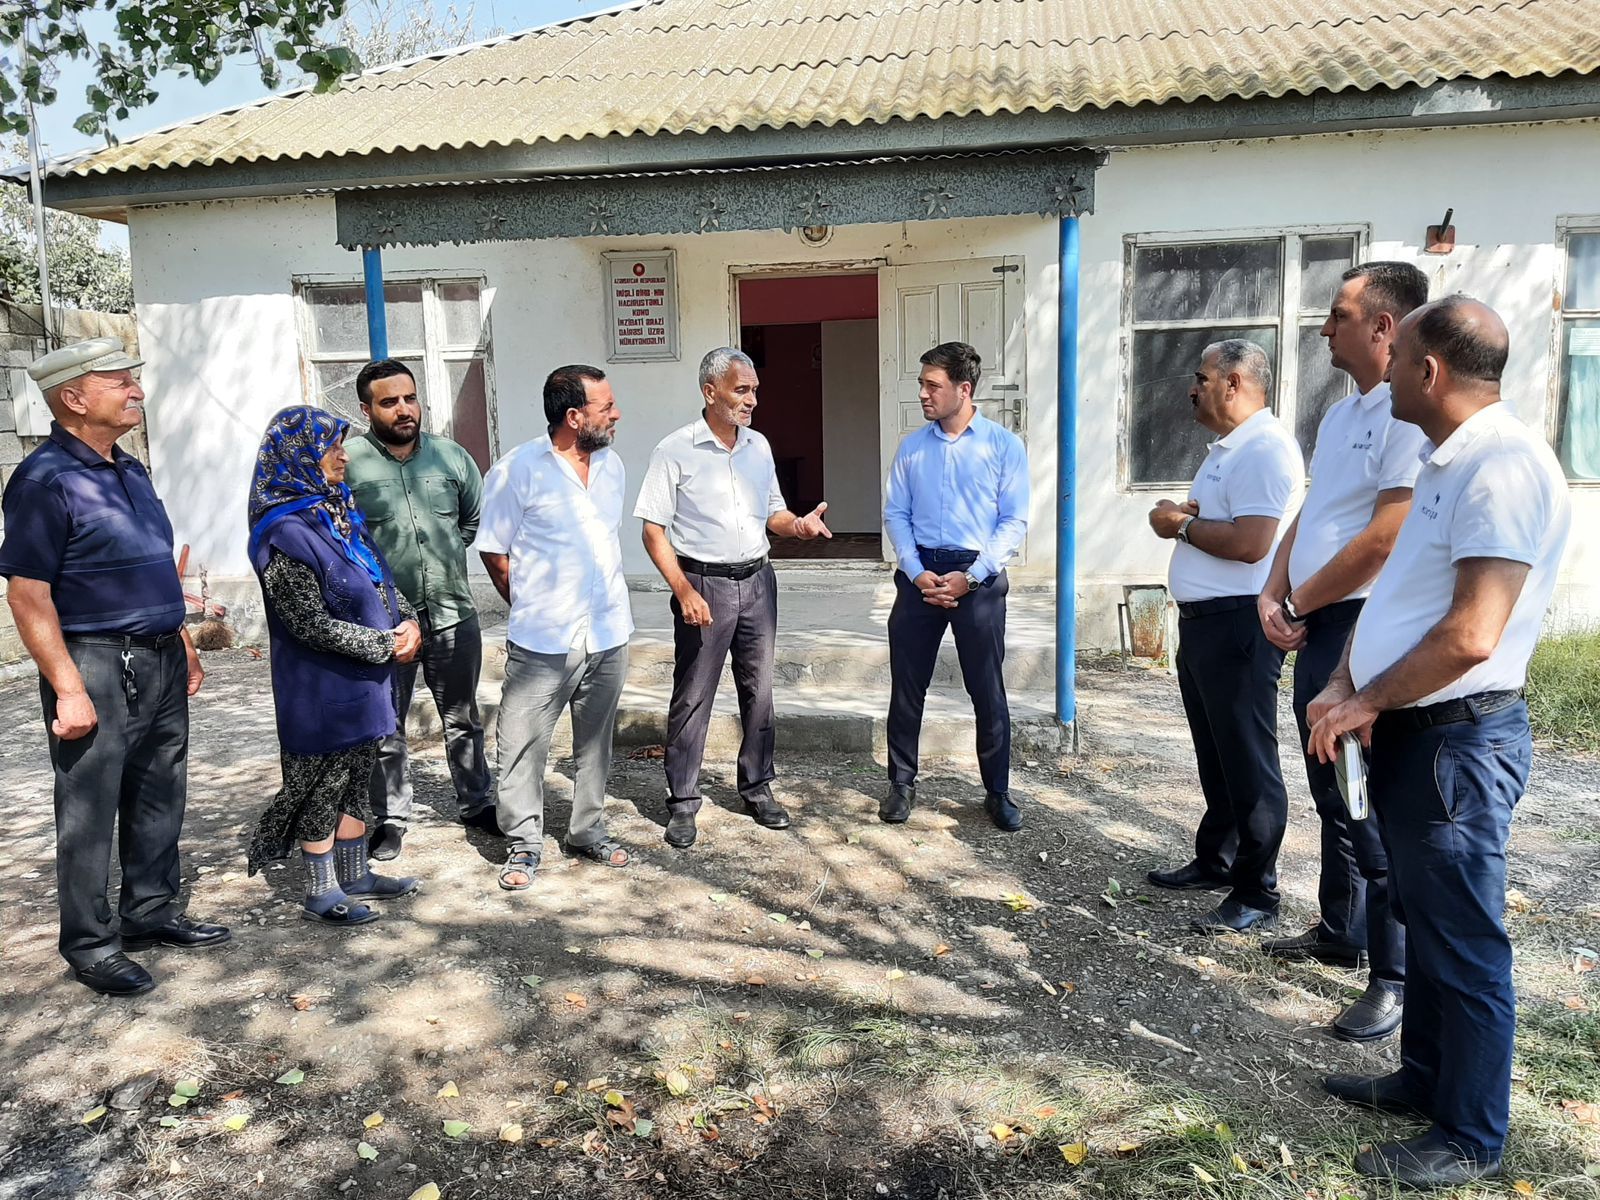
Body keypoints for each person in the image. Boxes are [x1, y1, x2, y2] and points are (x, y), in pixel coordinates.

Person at [1310, 297, 1570, 1188]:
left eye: (1399, 359)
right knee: (1424, 922)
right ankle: (1424, 1079)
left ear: (1429, 371)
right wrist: (1345, 680)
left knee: (1463, 941)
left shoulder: (1501, 467)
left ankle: (1469, 1133)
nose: (1384, 371)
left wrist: (1366, 699)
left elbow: (1471, 634)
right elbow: (1400, 596)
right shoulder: (1446, 458)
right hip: (1414, 733)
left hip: (1458, 743)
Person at [0, 337, 229, 997]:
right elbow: (28, 595)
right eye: (120, 381)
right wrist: (68, 688)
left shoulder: (131, 469)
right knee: (89, 807)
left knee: (160, 789)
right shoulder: (44, 480)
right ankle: (91, 944)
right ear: (74, 398)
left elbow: (153, 566)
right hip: (95, 661)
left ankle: (149, 911)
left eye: (134, 379)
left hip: (159, 654)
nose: (137, 391)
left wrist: (182, 639)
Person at [1256, 262, 1429, 1041]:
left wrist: (1301, 601)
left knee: (1366, 800)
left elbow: (1386, 536)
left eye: (1339, 315)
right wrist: (1273, 590)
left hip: (1362, 630)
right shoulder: (1339, 414)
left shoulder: (1408, 414)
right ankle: (1340, 929)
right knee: (1332, 788)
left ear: (1384, 326)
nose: (1325, 328)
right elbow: (1315, 510)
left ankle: (1393, 978)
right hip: (1317, 621)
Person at [634, 347, 831, 849]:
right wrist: (683, 590)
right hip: (704, 586)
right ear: (710, 392)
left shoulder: (758, 447)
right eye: (741, 390)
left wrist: (798, 526)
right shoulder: (674, 450)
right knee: (694, 694)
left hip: (759, 582)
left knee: (759, 691)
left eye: (755, 390)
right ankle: (683, 801)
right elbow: (653, 531)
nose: (752, 400)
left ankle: (757, 787)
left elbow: (774, 513)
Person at [1146, 339, 1304, 933]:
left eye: (1202, 377)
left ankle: (1257, 891)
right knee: (1215, 752)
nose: (1193, 388)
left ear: (1234, 382)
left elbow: (1251, 543)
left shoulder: (1263, 449)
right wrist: (1187, 521)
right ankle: (1218, 859)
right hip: (1206, 623)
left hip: (1239, 623)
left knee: (1246, 757)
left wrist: (1180, 525)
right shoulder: (1228, 449)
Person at [245, 406, 422, 925]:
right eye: (331, 447)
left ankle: (355, 874)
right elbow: (307, 623)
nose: (343, 456)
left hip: (365, 680)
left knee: (355, 778)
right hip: (319, 688)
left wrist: (409, 620)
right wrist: (384, 644)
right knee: (321, 784)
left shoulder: (337, 513)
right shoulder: (284, 533)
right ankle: (321, 891)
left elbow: (379, 579)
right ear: (299, 457)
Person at [475, 366, 633, 890]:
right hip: (543, 639)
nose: (616, 414)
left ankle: (587, 831)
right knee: (522, 743)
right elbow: (494, 551)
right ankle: (523, 841)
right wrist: (532, 605)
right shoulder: (517, 471)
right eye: (605, 407)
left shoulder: (612, 467)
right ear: (573, 417)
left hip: (607, 630)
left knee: (596, 743)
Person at [345, 359, 494, 860]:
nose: (404, 409)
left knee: (464, 717)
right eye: (389, 402)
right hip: (384, 624)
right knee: (386, 725)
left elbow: (470, 523)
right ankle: (390, 818)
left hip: (453, 613)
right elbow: (341, 540)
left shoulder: (452, 457)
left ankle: (477, 803)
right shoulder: (349, 464)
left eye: (410, 398)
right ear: (366, 409)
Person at [882, 341, 1029, 830]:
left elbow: (1013, 520)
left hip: (978, 579)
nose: (923, 394)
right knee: (908, 685)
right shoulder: (912, 448)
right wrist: (913, 569)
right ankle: (901, 784)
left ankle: (997, 791)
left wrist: (971, 577)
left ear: (964, 389)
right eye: (921, 384)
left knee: (986, 688)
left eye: (933, 385)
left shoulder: (1003, 446)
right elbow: (896, 513)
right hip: (919, 576)